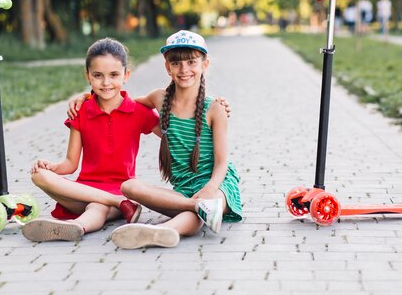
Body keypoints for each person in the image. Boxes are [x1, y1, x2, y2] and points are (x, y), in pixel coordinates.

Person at [110, 30, 243, 249]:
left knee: (207, 205)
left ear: (204, 64)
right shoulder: (158, 98)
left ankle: (163, 230)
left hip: (217, 185)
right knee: (129, 186)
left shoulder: (215, 109)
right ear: (167, 67)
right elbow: (123, 105)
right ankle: (185, 216)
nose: (184, 70)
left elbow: (222, 162)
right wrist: (86, 98)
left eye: (191, 62)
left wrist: (210, 188)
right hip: (183, 190)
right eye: (176, 63)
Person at [21, 38, 160, 242]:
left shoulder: (139, 112)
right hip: (84, 190)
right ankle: (119, 203)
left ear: (126, 75)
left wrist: (208, 110)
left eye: (114, 75)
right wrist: (50, 167)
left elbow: (171, 135)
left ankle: (75, 227)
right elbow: (70, 164)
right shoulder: (81, 111)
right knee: (39, 175)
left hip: (121, 188)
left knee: (98, 206)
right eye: (98, 76)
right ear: (88, 76)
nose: (106, 83)